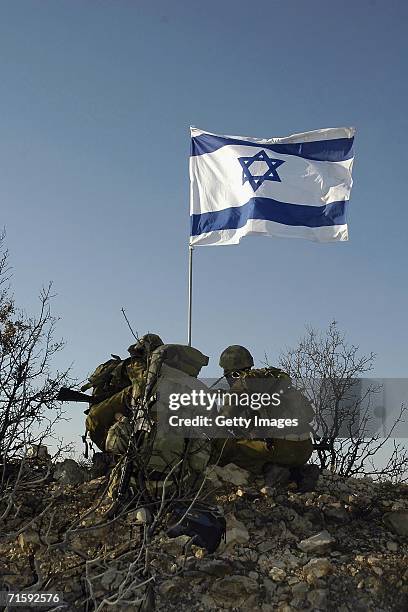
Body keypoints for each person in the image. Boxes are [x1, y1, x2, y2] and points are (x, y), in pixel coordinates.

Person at [212, 345, 319, 492]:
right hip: (305, 449)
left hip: (277, 448)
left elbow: (222, 422)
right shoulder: (272, 382)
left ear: (227, 371)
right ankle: (299, 473)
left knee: (226, 445)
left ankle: (269, 469)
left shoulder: (240, 385)